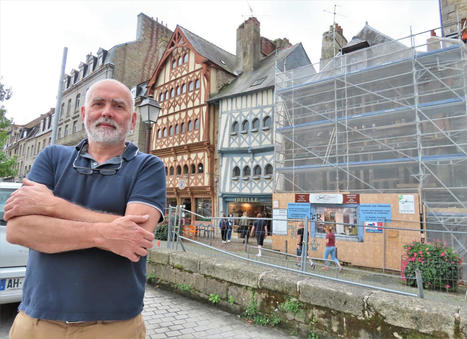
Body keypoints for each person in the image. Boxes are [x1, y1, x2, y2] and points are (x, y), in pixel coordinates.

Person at [5, 79, 166, 339]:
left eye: (118, 106)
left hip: (113, 325)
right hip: (37, 322)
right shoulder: (51, 157)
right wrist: (104, 235)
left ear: (133, 120)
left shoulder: (148, 166)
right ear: (83, 113)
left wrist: (51, 206)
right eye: (98, 104)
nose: (106, 112)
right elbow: (19, 230)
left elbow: (135, 237)